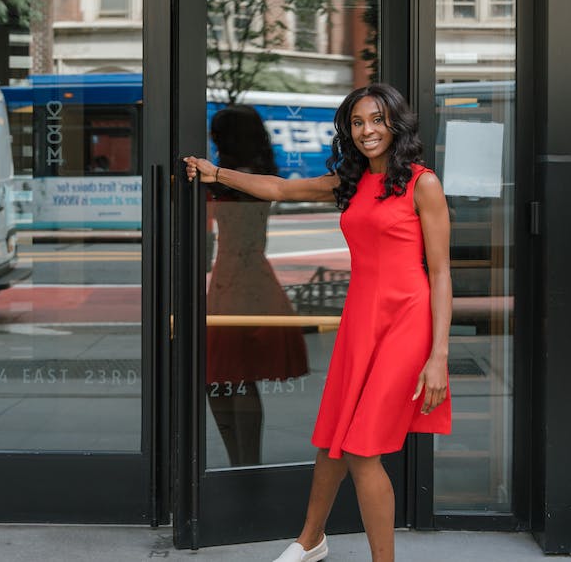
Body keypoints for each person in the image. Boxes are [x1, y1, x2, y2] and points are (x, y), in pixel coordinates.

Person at [184, 83, 452, 562]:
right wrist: (214, 172)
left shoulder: (421, 183)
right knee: (334, 435)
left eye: (376, 119)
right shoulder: (347, 182)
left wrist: (439, 356)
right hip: (360, 319)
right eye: (356, 122)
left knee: (363, 448)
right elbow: (279, 188)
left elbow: (441, 272)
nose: (367, 130)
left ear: (395, 124)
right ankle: (311, 539)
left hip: (407, 323)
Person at [204, 105, 309, 466]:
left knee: (230, 373)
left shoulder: (232, 180)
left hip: (235, 277)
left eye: (217, 136)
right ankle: (245, 462)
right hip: (244, 275)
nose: (213, 143)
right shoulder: (252, 176)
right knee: (230, 373)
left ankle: (244, 463)